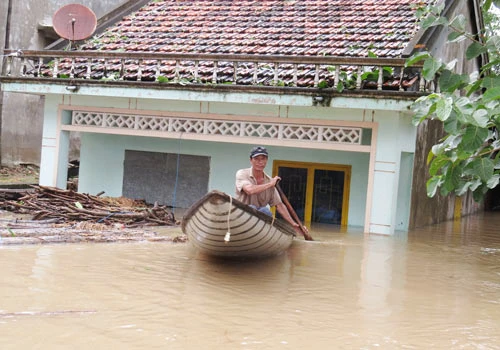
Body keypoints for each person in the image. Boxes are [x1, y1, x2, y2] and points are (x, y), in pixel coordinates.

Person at [235, 146, 308, 236]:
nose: (260, 162)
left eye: (263, 159)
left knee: (266, 211)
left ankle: (260, 234)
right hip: (242, 215)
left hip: (259, 218)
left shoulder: (270, 181)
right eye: (256, 159)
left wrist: (294, 225)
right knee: (252, 208)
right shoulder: (242, 173)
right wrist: (270, 184)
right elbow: (249, 190)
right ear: (251, 160)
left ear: (266, 160)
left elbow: (279, 206)